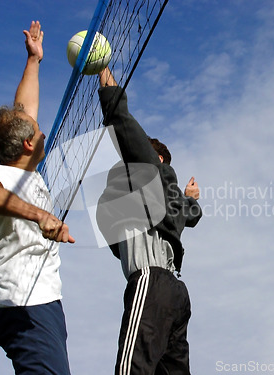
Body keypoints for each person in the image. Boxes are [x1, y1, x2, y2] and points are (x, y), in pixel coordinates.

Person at [0, 21, 74, 375]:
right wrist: (39, 215)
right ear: (29, 144)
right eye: (38, 130)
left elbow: (24, 108)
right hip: (23, 301)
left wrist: (34, 60)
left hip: (35, 300)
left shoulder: (22, 168)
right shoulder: (0, 176)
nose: (41, 128)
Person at [96, 67, 202, 375]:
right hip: (178, 295)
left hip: (150, 279)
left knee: (132, 369)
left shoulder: (144, 172)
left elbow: (122, 121)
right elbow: (192, 214)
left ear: (154, 161)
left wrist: (104, 74)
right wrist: (191, 196)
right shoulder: (172, 203)